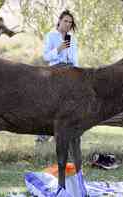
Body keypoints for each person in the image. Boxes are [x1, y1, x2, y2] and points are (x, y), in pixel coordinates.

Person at [36, 9, 79, 142]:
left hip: (70, 71)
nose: (67, 24)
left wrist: (77, 72)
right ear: (59, 21)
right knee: (51, 105)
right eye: (65, 21)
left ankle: (62, 137)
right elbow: (46, 56)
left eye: (70, 23)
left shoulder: (72, 38)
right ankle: (41, 138)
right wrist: (58, 49)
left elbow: (75, 58)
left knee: (69, 106)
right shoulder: (51, 35)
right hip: (55, 71)